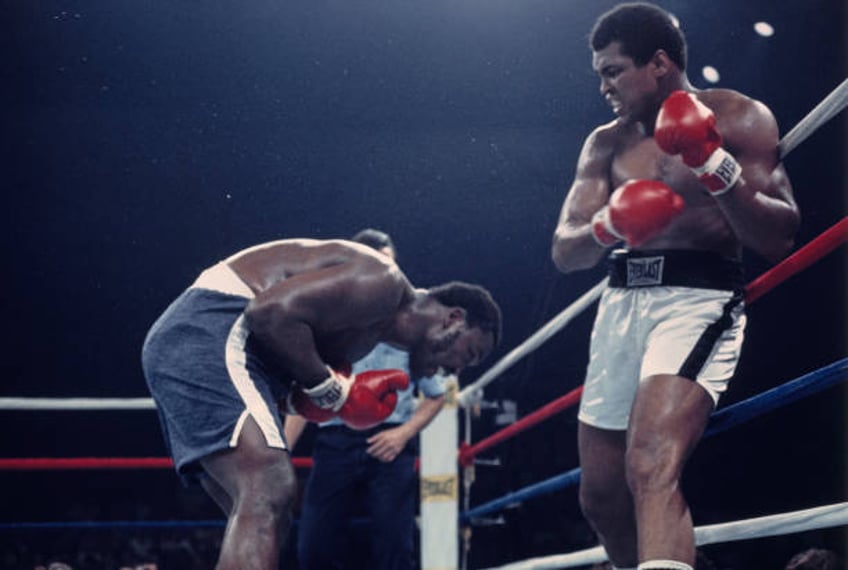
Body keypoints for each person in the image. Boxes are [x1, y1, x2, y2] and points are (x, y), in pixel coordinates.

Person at [550, 3, 799, 570]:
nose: (604, 87)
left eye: (613, 71)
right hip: (620, 305)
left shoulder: (738, 116)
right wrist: (609, 225)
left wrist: (714, 166)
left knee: (650, 462)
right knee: (600, 496)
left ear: (658, 63)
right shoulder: (605, 144)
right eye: (600, 75)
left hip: (696, 300)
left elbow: (779, 234)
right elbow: (565, 251)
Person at [141, 237, 502, 570]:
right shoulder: (383, 283)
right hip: (214, 325)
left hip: (209, 344)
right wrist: (333, 393)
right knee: (269, 485)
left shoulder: (366, 337)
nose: (456, 370)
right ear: (454, 317)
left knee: (270, 510)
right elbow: (268, 313)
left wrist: (330, 400)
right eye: (468, 354)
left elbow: (288, 375)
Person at [285, 228, 450, 570]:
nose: (387, 277)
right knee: (313, 547)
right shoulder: (326, 321)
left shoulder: (413, 324)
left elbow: (436, 394)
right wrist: (280, 450)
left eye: (391, 267)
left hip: (390, 447)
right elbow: (308, 394)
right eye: (377, 266)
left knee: (394, 549)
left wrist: (402, 434)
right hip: (334, 443)